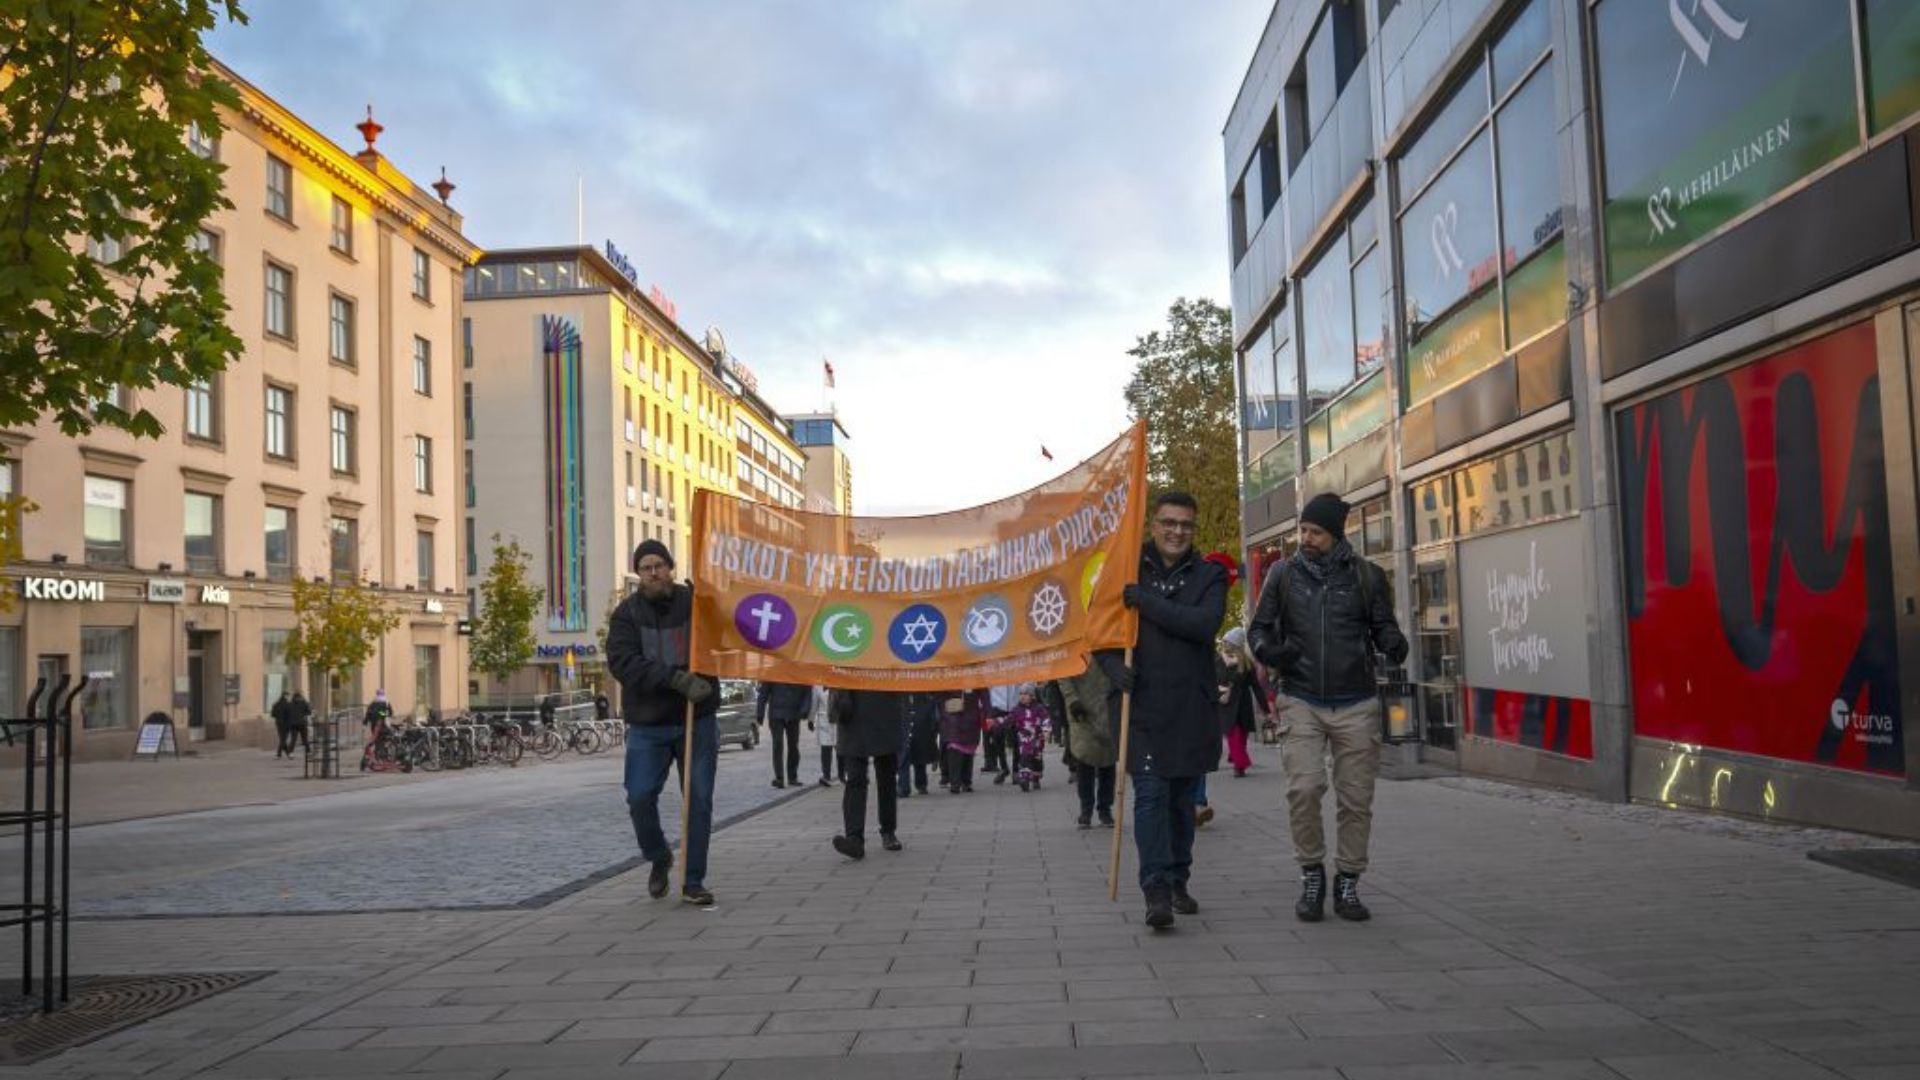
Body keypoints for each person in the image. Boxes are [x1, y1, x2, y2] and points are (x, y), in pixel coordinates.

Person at [1248, 492, 1409, 924]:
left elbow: (1383, 626)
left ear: (1335, 534)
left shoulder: (1367, 576)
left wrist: (1393, 643)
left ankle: (1349, 881)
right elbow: (1257, 629)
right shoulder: (1283, 574)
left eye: (1314, 532)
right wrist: (1270, 651)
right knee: (1304, 788)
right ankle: (1312, 872)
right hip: (1300, 696)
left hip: (1356, 701)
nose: (1305, 538)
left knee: (1356, 799)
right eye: (1302, 530)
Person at [1097, 490, 1227, 931]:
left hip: (1190, 706)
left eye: (1185, 525)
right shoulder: (1126, 571)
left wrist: (1145, 601)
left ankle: (1177, 877)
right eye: (1168, 523)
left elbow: (1201, 625)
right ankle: (1154, 889)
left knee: (1179, 802)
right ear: (1153, 524)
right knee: (1150, 796)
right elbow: (1101, 634)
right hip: (1141, 708)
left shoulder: (1209, 576)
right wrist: (1113, 666)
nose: (1176, 532)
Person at [606, 538, 720, 906]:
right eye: (646, 567)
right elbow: (623, 663)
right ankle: (659, 857)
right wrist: (674, 678)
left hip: (695, 719)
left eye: (660, 565)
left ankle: (693, 880)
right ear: (638, 574)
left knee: (698, 800)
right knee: (639, 796)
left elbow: (722, 637)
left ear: (671, 567)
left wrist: (713, 600)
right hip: (648, 723)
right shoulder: (627, 614)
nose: (654, 573)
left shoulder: (695, 604)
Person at [829, 689, 905, 858]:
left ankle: (888, 831)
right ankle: (854, 839)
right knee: (855, 778)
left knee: (886, 776)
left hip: (885, 708)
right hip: (852, 711)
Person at [1059, 665, 1117, 829]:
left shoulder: (1110, 645)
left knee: (1108, 761)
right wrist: (1072, 700)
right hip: (1082, 711)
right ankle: (1086, 810)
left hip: (1108, 707)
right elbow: (1063, 674)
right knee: (1085, 760)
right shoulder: (1077, 645)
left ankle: (1105, 809)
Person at [1217, 627, 1264, 779]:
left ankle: (1239, 764)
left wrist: (1266, 709)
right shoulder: (1218, 660)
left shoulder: (1247, 663)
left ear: (1235, 644)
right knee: (1233, 736)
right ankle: (1240, 762)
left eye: (1227, 642)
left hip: (1243, 705)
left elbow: (1256, 687)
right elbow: (1212, 680)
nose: (1224, 644)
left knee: (1241, 737)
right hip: (1227, 704)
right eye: (1224, 641)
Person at [757, 681, 814, 788]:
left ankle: (792, 776)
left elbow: (807, 691)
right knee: (777, 745)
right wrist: (760, 713)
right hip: (776, 714)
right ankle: (779, 777)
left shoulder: (800, 672)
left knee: (793, 746)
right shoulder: (774, 672)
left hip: (794, 714)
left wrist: (804, 710)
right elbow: (763, 693)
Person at [936, 688, 989, 793]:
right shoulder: (953, 675)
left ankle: (962, 782)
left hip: (964, 718)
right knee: (957, 751)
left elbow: (984, 695)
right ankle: (960, 782)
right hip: (955, 717)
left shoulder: (975, 677)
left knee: (965, 752)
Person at [1007, 684, 1050, 791]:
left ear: (1032, 696)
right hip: (1024, 738)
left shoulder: (1039, 708)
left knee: (1037, 759)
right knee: (1024, 757)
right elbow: (1009, 719)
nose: (1022, 696)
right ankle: (1024, 779)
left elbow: (1046, 719)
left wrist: (1046, 730)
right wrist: (998, 723)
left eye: (1026, 694)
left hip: (1037, 738)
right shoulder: (1016, 709)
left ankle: (1036, 778)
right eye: (1021, 694)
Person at [897, 692, 938, 797]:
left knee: (919, 754)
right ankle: (904, 787)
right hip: (905, 716)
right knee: (904, 756)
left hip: (920, 715)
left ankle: (921, 784)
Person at [809, 684, 843, 786]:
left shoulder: (837, 683)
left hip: (837, 720)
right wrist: (811, 719)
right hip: (826, 720)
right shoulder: (818, 686)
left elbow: (814, 704)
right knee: (827, 748)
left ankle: (840, 774)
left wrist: (811, 719)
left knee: (838, 748)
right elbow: (814, 704)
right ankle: (828, 775)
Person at [983, 685, 1015, 779]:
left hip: (1015, 706)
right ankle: (1004, 767)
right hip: (996, 707)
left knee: (1016, 740)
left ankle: (1016, 769)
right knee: (997, 738)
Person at [359, 689, 393, 771]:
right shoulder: (386, 702)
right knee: (383, 741)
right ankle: (382, 757)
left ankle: (378, 756)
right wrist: (382, 714)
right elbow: (390, 713)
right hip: (383, 725)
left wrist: (365, 723)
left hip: (374, 726)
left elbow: (368, 714)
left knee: (376, 741)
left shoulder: (372, 703)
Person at [288, 690, 312, 756]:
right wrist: (304, 713)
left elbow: (287, 714)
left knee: (293, 739)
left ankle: (290, 753)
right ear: (300, 697)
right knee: (305, 739)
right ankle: (308, 752)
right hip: (302, 723)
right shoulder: (304, 702)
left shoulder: (290, 704)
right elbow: (309, 712)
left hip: (293, 724)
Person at [271, 689, 293, 758]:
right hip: (287, 724)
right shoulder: (288, 705)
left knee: (282, 738)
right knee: (283, 739)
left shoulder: (276, 704)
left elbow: (273, 714)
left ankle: (285, 754)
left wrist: (278, 717)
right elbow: (290, 714)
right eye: (288, 696)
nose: (289, 697)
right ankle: (280, 754)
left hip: (279, 723)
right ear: (286, 696)